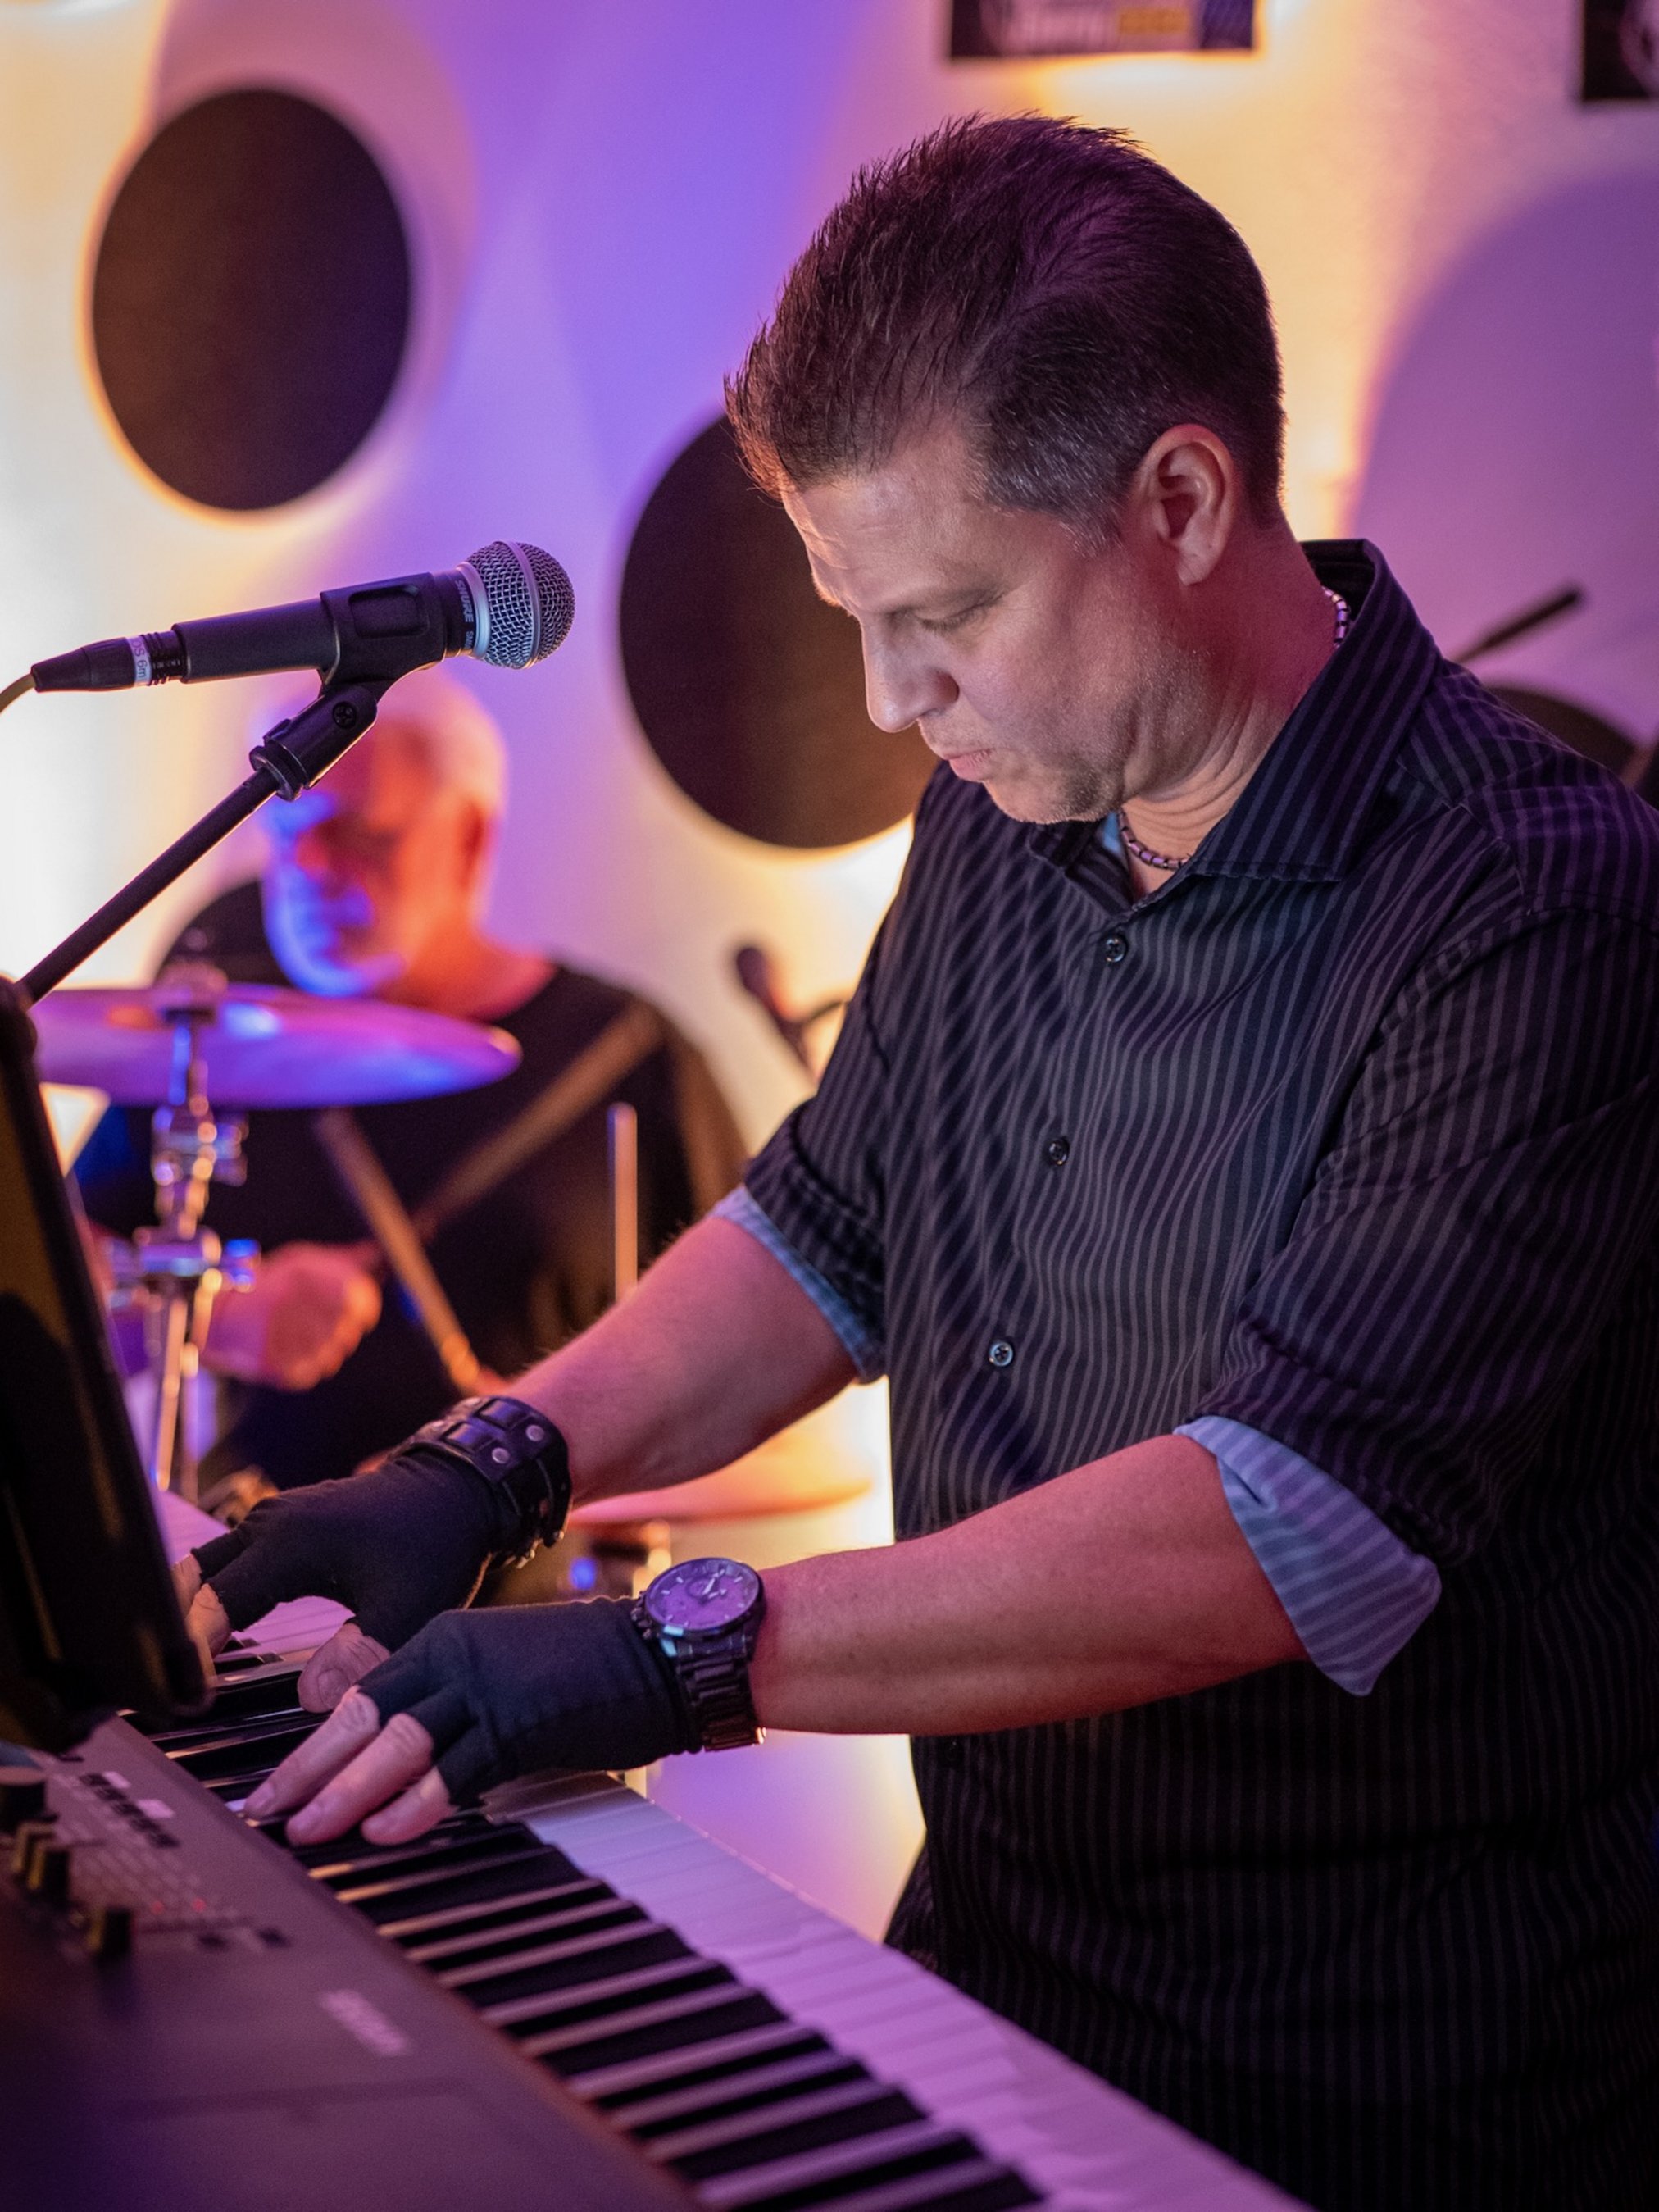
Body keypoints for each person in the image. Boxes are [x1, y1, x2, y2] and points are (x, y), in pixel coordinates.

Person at [175, 121, 1659, 2212]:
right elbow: (830, 1225)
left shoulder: (1537, 903)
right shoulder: (1007, 797)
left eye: (946, 612)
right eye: (857, 617)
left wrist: (679, 1649)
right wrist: (488, 1464)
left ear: (1179, 499)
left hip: (1383, 2078)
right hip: (989, 1981)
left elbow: (1288, 1526)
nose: (892, 699)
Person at [78, 667, 744, 1498]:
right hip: (250, 1562)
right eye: (286, 831)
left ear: (468, 839)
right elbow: (53, 1296)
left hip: (541, 1575)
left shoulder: (623, 1055)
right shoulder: (210, 1032)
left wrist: (556, 1435)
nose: (307, 867)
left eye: (359, 833)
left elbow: (749, 1359)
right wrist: (210, 1321)